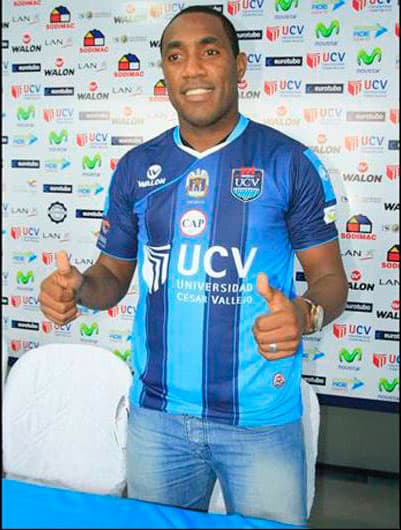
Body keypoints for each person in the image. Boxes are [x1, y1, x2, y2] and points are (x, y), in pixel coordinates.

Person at [39, 6, 348, 525]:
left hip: (260, 420)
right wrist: (78, 289)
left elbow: (330, 277)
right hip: (157, 418)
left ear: (238, 65)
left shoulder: (288, 162)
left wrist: (306, 313)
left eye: (210, 51)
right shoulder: (137, 168)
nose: (193, 69)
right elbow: (111, 276)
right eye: (176, 56)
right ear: (164, 72)